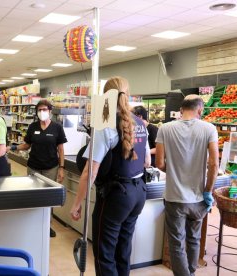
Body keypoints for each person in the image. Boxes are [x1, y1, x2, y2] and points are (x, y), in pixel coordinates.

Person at [70, 76, 151, 276]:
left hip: (116, 196)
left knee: (104, 252)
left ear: (106, 96)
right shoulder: (140, 122)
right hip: (138, 192)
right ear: (128, 93)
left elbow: (90, 170)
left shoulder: (105, 125)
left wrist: (77, 203)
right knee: (123, 249)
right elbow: (147, 161)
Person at [155, 94, 219, 276]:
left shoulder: (165, 129)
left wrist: (176, 172)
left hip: (174, 198)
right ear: (200, 110)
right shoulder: (209, 129)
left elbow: (159, 163)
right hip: (199, 198)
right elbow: (214, 164)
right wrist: (208, 191)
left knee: (176, 243)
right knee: (194, 239)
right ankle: (191, 272)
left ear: (181, 109)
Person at [9, 99, 67, 237]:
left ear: (50, 111)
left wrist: (61, 168)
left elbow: (61, 149)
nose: (42, 112)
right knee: (33, 195)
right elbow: (27, 145)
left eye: (44, 110)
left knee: (48, 197)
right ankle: (33, 223)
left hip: (50, 167)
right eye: (39, 110)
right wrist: (12, 147)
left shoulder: (57, 128)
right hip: (33, 167)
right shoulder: (33, 127)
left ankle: (47, 225)